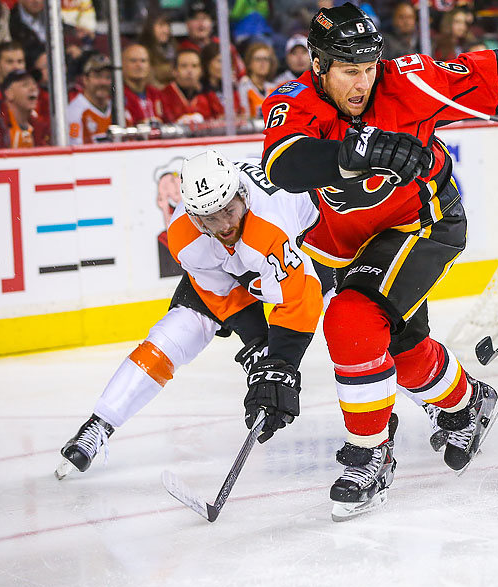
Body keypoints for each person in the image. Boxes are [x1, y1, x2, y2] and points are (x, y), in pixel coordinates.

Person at [260, 3, 498, 520]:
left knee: (351, 316)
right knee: (404, 350)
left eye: (369, 68)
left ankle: (370, 454)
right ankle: (467, 403)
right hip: (349, 242)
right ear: (317, 66)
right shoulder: (291, 100)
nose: (362, 83)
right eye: (349, 70)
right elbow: (284, 164)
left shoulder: (408, 81)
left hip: (423, 225)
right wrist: (362, 150)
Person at [56, 151, 324, 479]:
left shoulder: (269, 224)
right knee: (173, 334)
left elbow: (299, 300)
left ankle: (374, 429)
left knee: (360, 331)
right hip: (240, 269)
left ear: (242, 195)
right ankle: (98, 425)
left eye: (229, 210)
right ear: (196, 217)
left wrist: (278, 367)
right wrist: (257, 343)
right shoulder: (185, 235)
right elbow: (221, 293)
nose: (225, 224)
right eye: (211, 217)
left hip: (312, 248)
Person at [179, 0, 247, 80]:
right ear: (187, 24)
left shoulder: (224, 46)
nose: (201, 24)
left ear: (212, 22)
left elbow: (242, 76)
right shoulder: (182, 50)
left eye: (205, 18)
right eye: (195, 19)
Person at [67, 53, 112, 145]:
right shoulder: (75, 112)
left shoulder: (119, 110)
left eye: (108, 77)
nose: (103, 82)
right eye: (97, 76)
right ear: (85, 79)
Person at [160, 49, 211, 124]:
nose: (190, 71)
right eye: (184, 66)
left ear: (201, 71)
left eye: (194, 66)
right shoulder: (162, 97)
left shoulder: (208, 97)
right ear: (174, 71)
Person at [122, 43, 164, 125]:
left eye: (143, 61)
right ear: (123, 64)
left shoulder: (156, 94)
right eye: (133, 61)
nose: (139, 65)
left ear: (149, 65)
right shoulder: (117, 96)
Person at [200, 42, 245, 118]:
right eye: (219, 61)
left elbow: (241, 112)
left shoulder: (231, 89)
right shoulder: (200, 91)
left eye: (227, 61)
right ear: (207, 63)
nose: (225, 66)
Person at [239, 42, 277, 119]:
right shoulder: (243, 88)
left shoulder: (274, 88)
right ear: (249, 63)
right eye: (258, 59)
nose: (262, 63)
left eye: (266, 59)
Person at [138, 12, 177, 87]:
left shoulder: (175, 48)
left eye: (167, 26)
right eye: (161, 25)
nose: (165, 30)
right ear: (150, 27)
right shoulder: (142, 52)